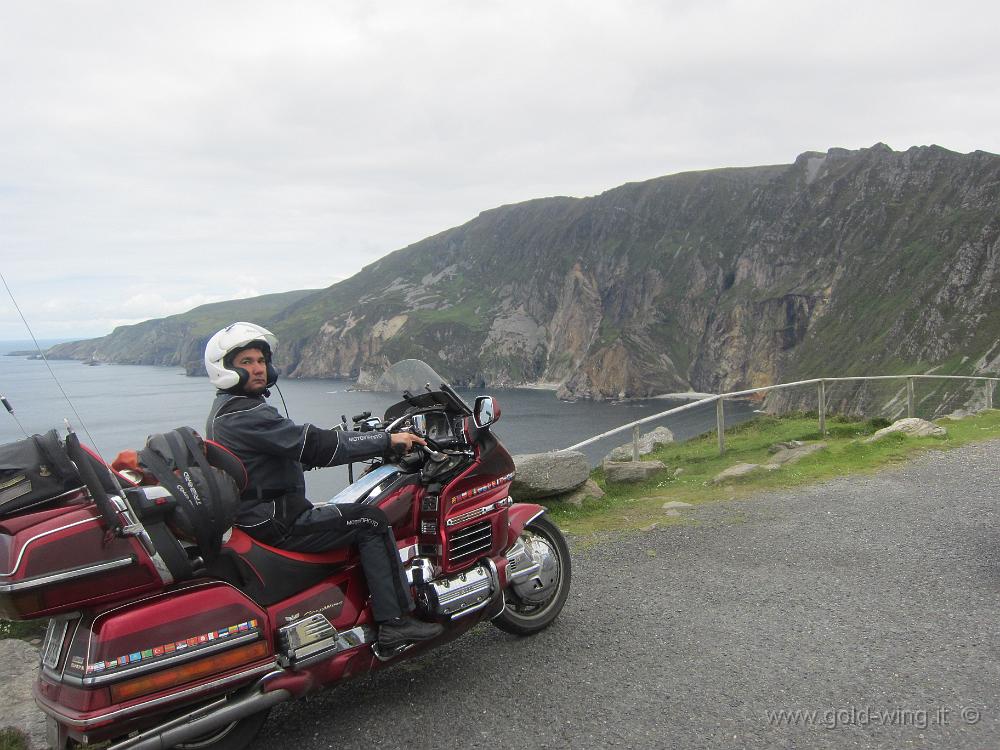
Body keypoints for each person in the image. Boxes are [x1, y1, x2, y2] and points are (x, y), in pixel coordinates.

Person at [204, 322, 443, 651]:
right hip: (278, 521)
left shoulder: (229, 410)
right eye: (246, 362)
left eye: (261, 360)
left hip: (262, 513)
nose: (258, 368)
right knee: (371, 521)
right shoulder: (244, 415)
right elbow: (313, 444)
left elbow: (270, 459)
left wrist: (306, 457)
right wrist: (387, 440)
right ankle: (395, 622)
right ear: (225, 368)